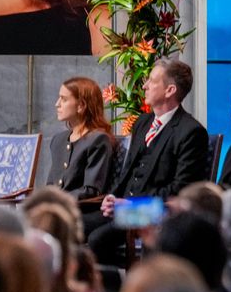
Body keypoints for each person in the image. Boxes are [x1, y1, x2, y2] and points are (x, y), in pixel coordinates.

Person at [83, 59, 208, 265]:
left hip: (154, 212)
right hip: (124, 207)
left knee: (98, 239)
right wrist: (112, 196)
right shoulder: (142, 122)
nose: (144, 86)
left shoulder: (191, 132)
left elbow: (181, 189)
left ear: (170, 90)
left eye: (151, 80)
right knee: (70, 225)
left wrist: (131, 205)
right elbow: (128, 171)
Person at [46, 77, 114, 199]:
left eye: (64, 99)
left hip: (82, 212)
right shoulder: (58, 140)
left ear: (81, 106)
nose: (57, 104)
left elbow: (91, 190)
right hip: (57, 209)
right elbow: (51, 185)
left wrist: (57, 202)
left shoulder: (98, 140)